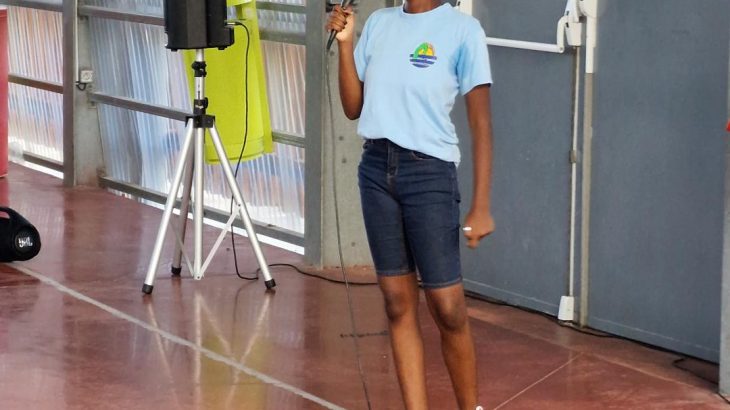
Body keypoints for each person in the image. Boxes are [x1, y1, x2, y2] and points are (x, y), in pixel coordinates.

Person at [327, 1, 494, 409]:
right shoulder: (379, 24)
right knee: (398, 303)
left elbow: (481, 123)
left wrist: (481, 205)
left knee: (448, 307)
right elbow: (352, 108)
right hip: (375, 170)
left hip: (430, 174)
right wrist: (346, 45)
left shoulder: (463, 31)